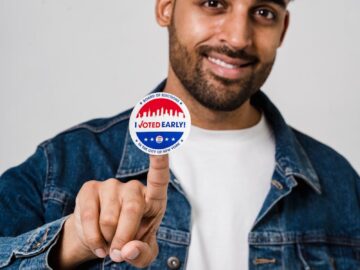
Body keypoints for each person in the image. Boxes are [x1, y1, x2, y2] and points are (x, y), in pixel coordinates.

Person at [0, 0, 359, 269]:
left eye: (263, 11)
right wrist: (71, 242)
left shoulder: (339, 183)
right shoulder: (62, 164)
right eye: (214, 3)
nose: (237, 37)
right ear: (166, 8)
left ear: (283, 29)